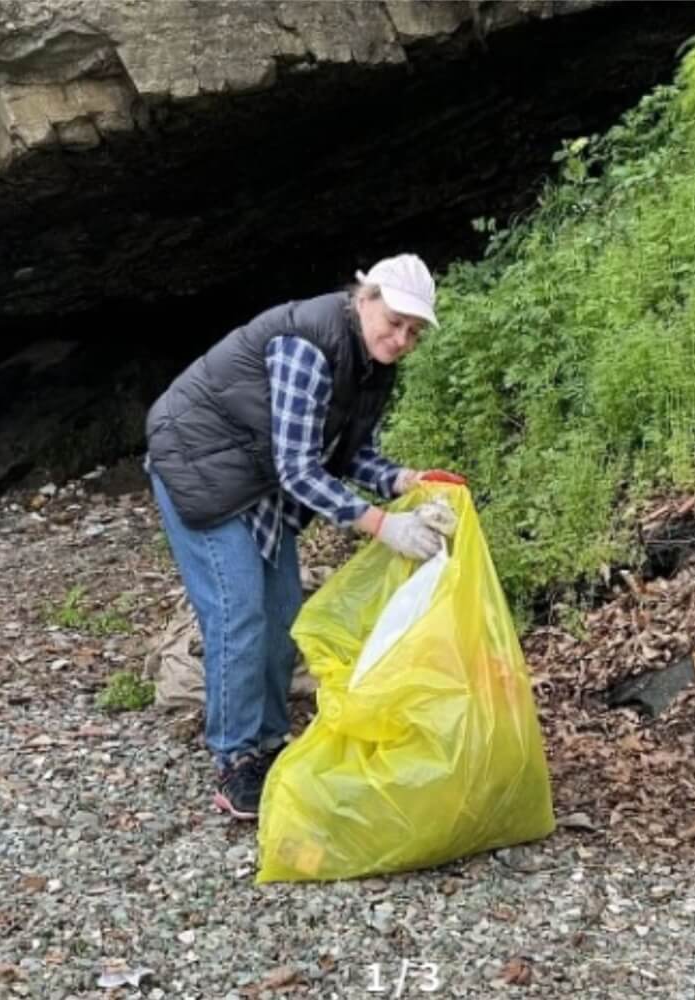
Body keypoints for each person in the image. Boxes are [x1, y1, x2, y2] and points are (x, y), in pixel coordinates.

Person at [145, 253, 464, 820]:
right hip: (196, 462)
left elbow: (349, 454)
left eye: (413, 333)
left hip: (254, 476)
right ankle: (234, 758)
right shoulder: (308, 345)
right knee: (238, 609)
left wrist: (405, 481)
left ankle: (269, 742)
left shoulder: (371, 365)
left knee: (284, 607)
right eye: (394, 322)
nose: (400, 339)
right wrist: (385, 526)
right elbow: (297, 469)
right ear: (363, 298)